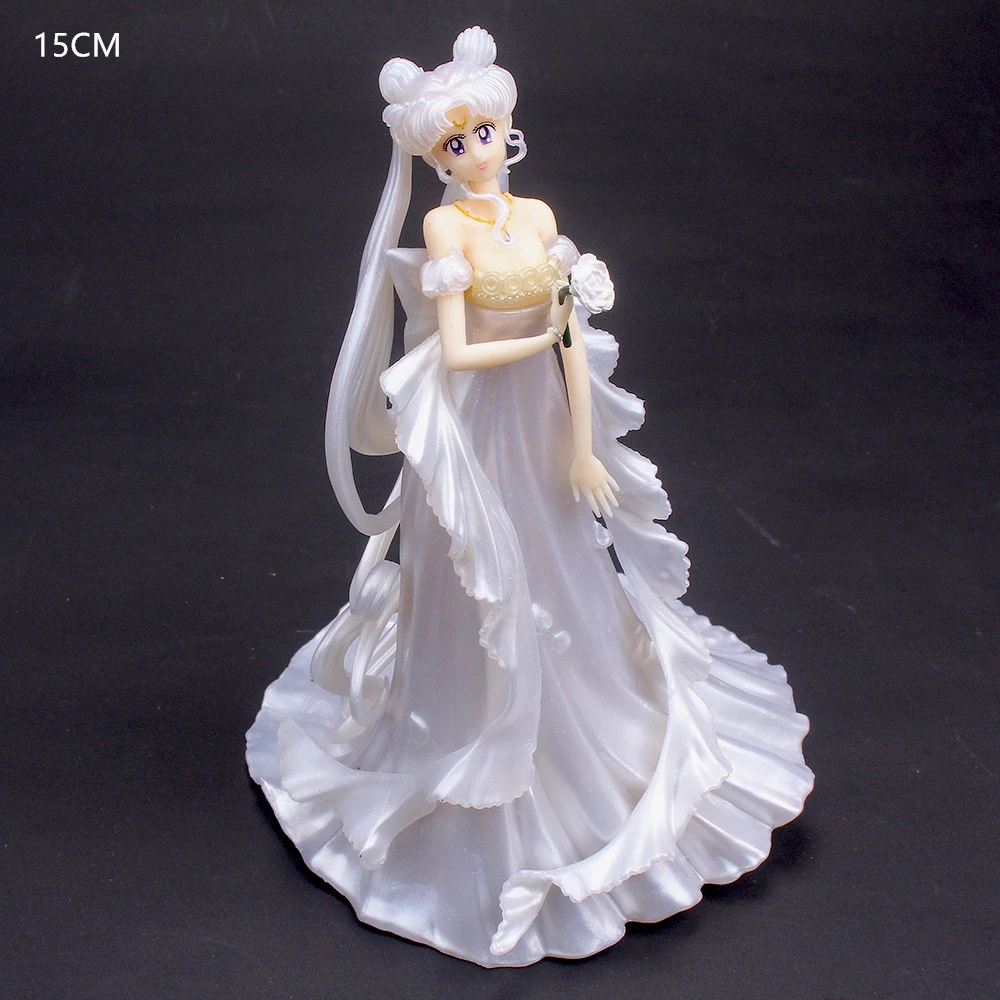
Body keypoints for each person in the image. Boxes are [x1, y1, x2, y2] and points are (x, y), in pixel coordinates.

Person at [246, 26, 813, 967]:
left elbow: (572, 340)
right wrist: (542, 332)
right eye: (453, 143)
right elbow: (461, 351)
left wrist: (583, 443)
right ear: (435, 159)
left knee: (562, 558)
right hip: (476, 424)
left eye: (483, 133)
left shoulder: (539, 214)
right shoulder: (445, 230)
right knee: (481, 569)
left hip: (542, 417)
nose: (474, 153)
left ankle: (591, 724)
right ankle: (463, 729)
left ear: (506, 126)